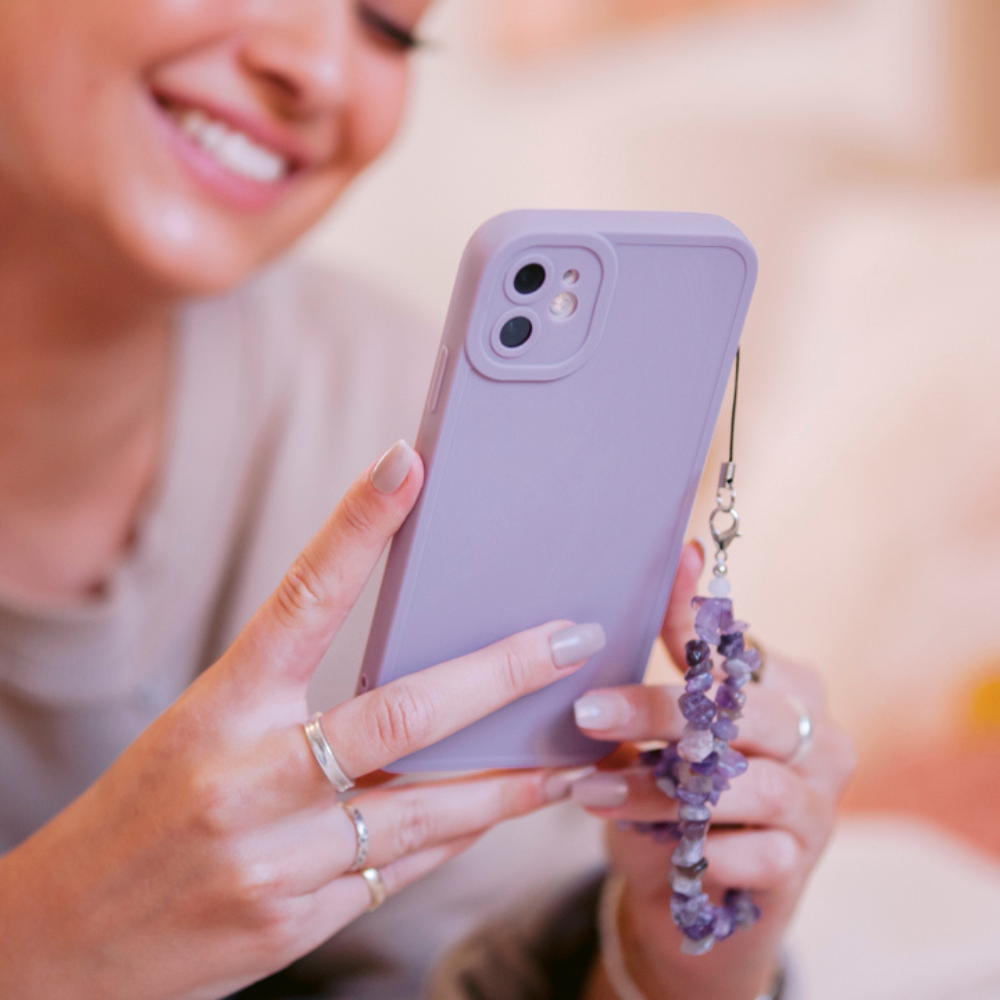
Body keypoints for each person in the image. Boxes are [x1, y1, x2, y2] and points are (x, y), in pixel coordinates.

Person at [0, 2, 855, 998]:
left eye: (390, 27)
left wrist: (673, 966)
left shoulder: (396, 415)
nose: (319, 71)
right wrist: (46, 935)